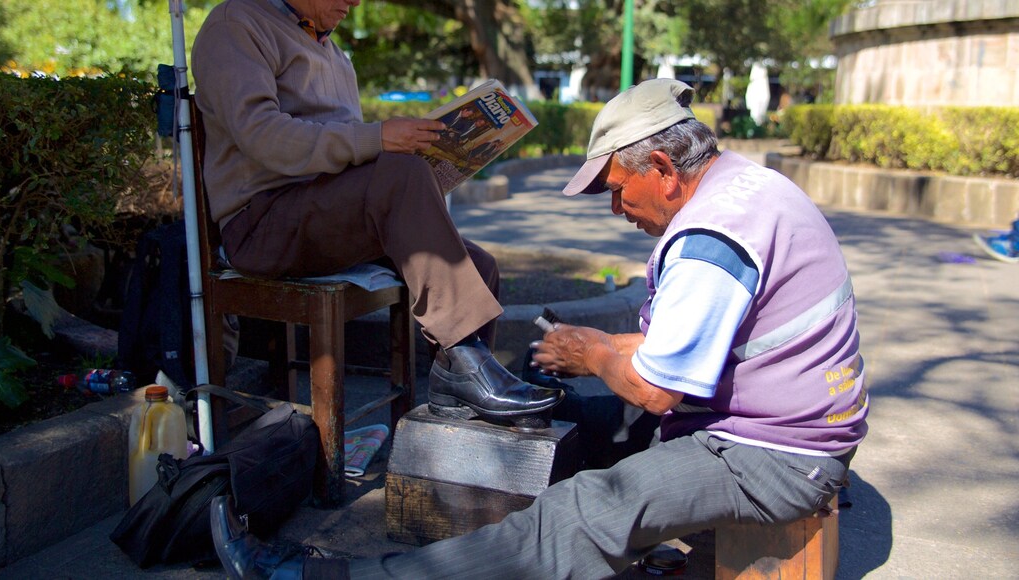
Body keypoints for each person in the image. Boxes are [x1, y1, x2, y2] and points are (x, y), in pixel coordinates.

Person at [209, 78, 870, 579]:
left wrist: (595, 352)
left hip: (775, 457)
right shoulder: (746, 189)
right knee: (583, 418)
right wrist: (602, 357)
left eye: (617, 189)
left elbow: (657, 391)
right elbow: (703, 343)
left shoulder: (712, 237)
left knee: (585, 506)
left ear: (665, 170)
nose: (616, 209)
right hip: (780, 424)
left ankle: (333, 575)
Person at [190, 0, 562, 425]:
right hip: (262, 223)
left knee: (478, 266)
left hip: (327, 217)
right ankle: (470, 370)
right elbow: (264, 138)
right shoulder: (237, 23)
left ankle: (455, 394)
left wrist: (429, 156)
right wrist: (380, 139)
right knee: (399, 172)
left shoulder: (333, 53)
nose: (355, 3)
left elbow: (352, 160)